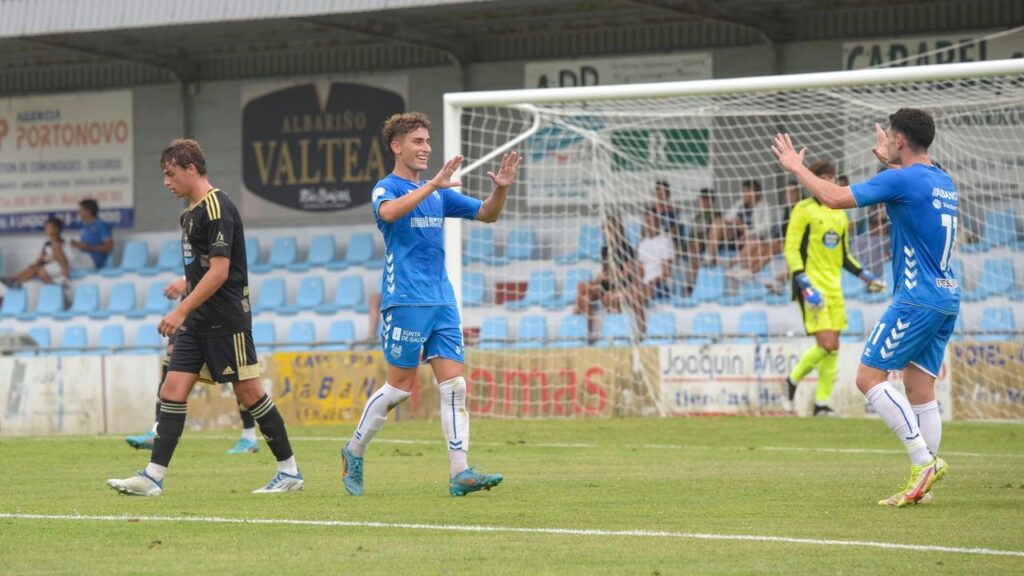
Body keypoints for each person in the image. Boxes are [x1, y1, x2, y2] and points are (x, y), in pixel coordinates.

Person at [773, 107, 957, 507]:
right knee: (920, 389)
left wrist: (796, 167)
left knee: (868, 377)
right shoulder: (942, 179)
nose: (885, 141)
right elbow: (911, 193)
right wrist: (892, 164)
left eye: (889, 137)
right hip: (946, 295)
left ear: (900, 141)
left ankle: (923, 462)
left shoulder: (900, 179)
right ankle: (923, 486)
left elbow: (834, 197)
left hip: (916, 298)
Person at [340, 112, 521, 497]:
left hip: (442, 300)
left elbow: (487, 214)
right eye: (417, 142)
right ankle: (354, 449)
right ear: (396, 146)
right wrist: (433, 185)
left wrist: (501, 190)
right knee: (400, 388)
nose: (426, 148)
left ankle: (460, 472)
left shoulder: (438, 192)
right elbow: (389, 213)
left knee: (455, 386)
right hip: (405, 300)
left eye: (427, 141)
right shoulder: (386, 188)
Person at [107, 138, 302, 496]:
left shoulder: (217, 207)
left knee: (250, 393)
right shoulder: (189, 214)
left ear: (192, 169)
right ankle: (152, 477)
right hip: (197, 321)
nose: (166, 182)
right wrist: (186, 287)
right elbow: (203, 266)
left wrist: (180, 309)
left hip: (227, 319)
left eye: (171, 174)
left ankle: (289, 471)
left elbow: (221, 271)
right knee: (172, 389)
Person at [780, 160, 885, 417]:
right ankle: (791, 380)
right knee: (826, 343)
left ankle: (821, 405)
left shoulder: (840, 213)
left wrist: (866, 277)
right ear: (814, 181)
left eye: (832, 177)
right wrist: (803, 283)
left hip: (834, 287)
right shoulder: (803, 209)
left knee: (833, 347)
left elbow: (844, 255)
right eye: (824, 177)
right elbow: (791, 249)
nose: (830, 181)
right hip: (811, 287)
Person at [124, 275, 261, 454]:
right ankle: (157, 430)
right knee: (171, 361)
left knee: (239, 376)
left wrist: (185, 278)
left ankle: (250, 436)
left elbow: (219, 267)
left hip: (218, 306)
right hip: (193, 304)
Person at [575, 212, 637, 336]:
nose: (604, 232)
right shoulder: (605, 249)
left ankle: (615, 333)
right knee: (582, 289)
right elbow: (606, 271)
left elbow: (626, 274)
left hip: (620, 285)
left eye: (606, 229)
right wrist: (600, 277)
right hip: (606, 284)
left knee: (608, 299)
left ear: (615, 229)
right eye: (604, 230)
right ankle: (587, 334)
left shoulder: (627, 248)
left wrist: (608, 276)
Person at [626, 210, 674, 335]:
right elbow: (640, 271)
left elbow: (666, 273)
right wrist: (635, 284)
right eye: (647, 221)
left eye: (652, 221)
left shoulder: (665, 241)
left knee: (636, 296)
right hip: (645, 285)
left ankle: (642, 333)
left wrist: (650, 283)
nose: (649, 224)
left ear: (658, 222)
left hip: (661, 285)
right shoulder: (643, 244)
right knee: (615, 297)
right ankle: (620, 333)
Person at [704, 180, 771, 266]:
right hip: (734, 235)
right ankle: (710, 256)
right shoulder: (739, 204)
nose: (741, 194)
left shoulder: (765, 206)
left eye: (744, 191)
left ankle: (732, 262)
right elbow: (727, 217)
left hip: (750, 236)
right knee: (718, 222)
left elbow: (766, 228)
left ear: (753, 193)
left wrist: (747, 233)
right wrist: (736, 221)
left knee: (755, 241)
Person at [4, 216, 71, 292]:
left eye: (48, 228)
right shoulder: (47, 243)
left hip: (55, 267)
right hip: (45, 265)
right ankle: (14, 280)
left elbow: (62, 260)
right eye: (45, 228)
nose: (45, 230)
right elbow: (41, 257)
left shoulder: (62, 243)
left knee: (36, 270)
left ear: (56, 229)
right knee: (31, 267)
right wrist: (37, 262)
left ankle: (16, 281)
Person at [683, 188, 719, 293]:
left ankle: (697, 281)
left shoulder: (715, 214)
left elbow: (715, 232)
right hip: (696, 243)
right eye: (701, 199)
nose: (701, 201)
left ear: (710, 200)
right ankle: (695, 279)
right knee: (692, 246)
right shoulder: (697, 217)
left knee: (695, 246)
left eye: (704, 199)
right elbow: (692, 233)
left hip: (709, 243)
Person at [69, 198, 113, 270]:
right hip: (82, 256)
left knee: (64, 261)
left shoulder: (101, 225)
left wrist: (88, 247)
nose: (79, 212)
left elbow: (109, 247)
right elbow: (83, 245)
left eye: (81, 210)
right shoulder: (85, 227)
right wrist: (77, 244)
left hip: (93, 260)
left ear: (88, 211)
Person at [851, 204, 891, 278]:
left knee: (873, 244)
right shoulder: (870, 205)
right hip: (872, 235)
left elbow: (884, 223)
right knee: (857, 241)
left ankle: (875, 278)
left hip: (887, 237)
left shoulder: (889, 205)